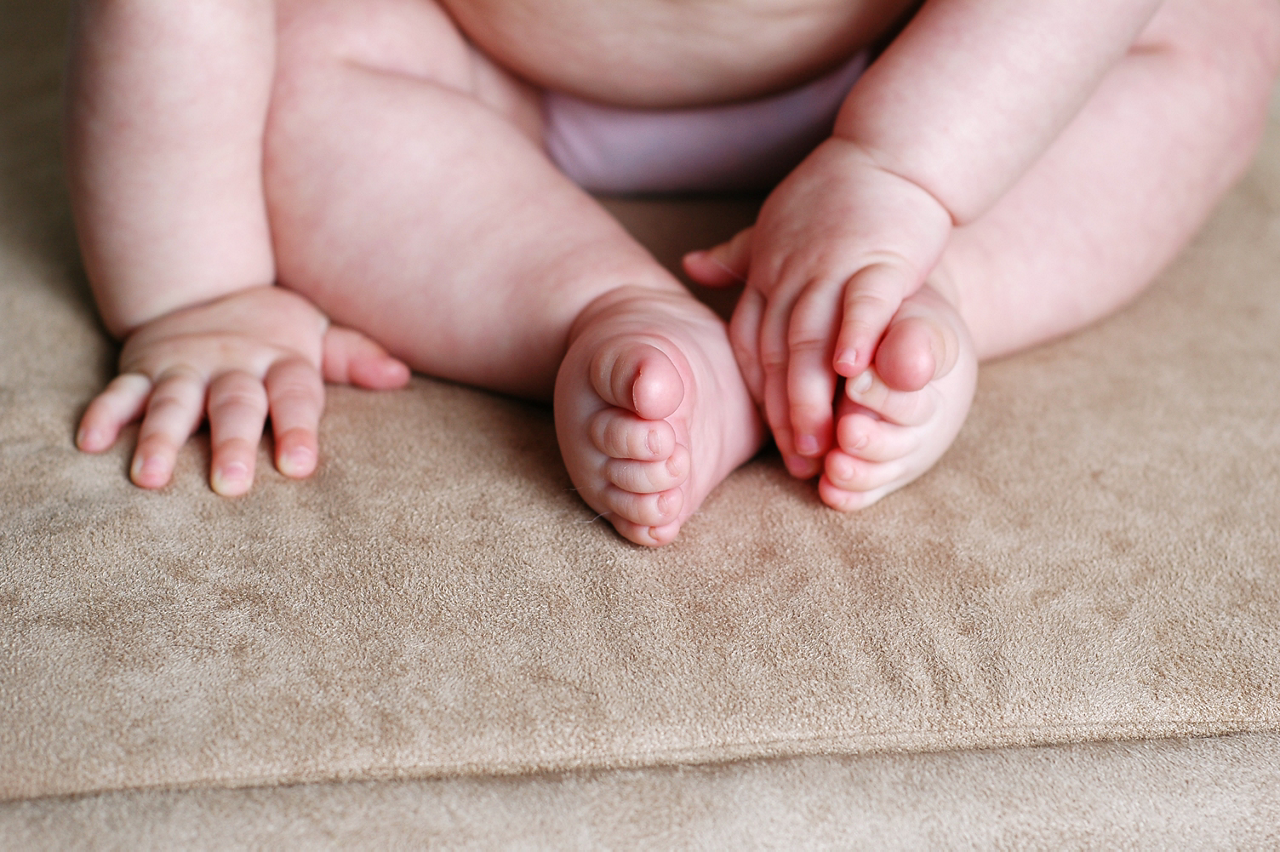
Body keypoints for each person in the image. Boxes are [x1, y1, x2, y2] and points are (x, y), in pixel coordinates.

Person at [67, 0, 1280, 546]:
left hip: (931, 65)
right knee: (296, 53)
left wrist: (905, 170)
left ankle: (915, 287)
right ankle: (603, 313)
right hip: (490, 73)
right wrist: (199, 289)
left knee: (1220, 26)